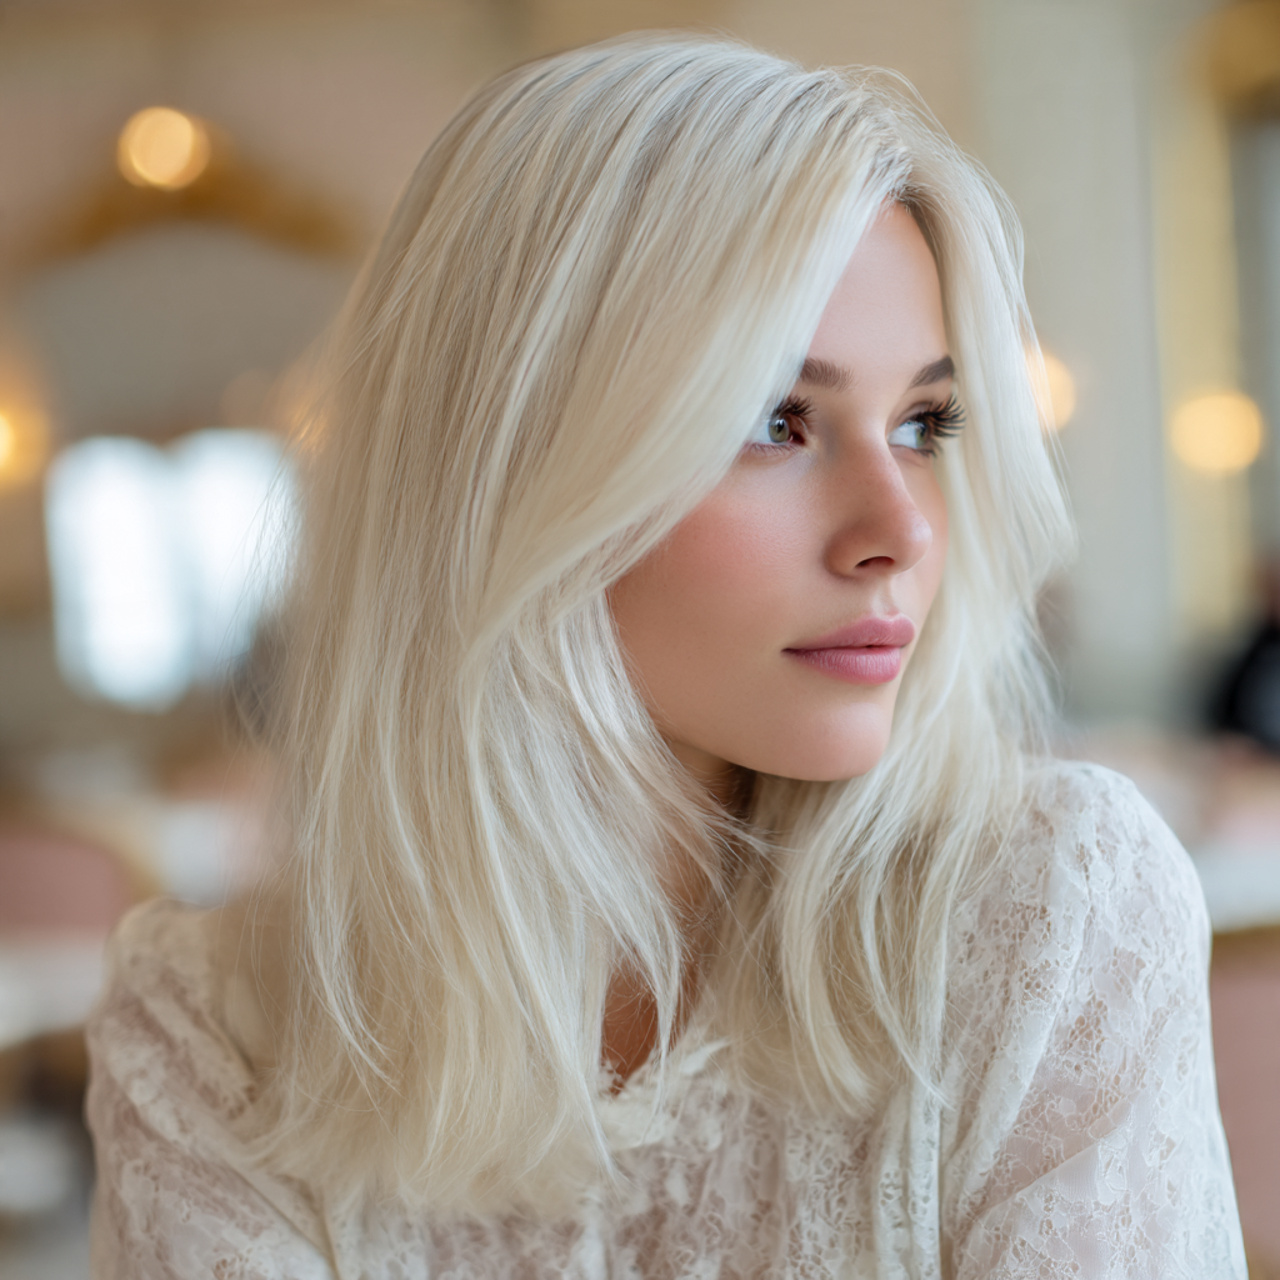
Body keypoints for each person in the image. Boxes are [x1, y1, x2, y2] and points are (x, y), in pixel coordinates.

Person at [85, 33, 1247, 1278]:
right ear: (511, 466)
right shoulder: (215, 1029)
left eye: (922, 422)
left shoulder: (1049, 919)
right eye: (773, 419)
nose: (899, 530)